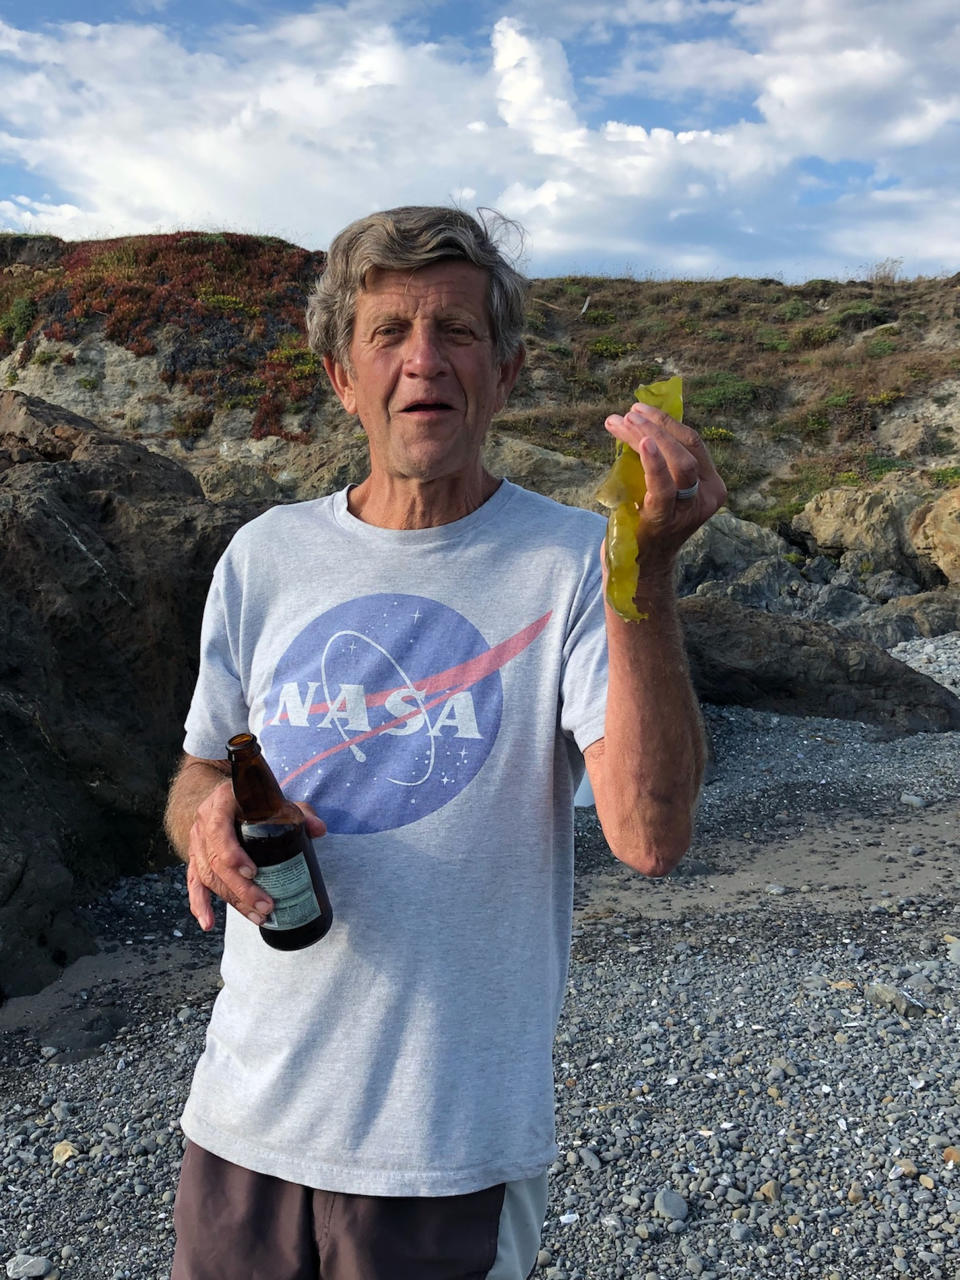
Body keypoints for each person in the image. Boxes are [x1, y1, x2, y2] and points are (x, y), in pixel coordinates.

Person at [164, 205, 726, 1280]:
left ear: (504, 372)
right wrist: (203, 818)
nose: (425, 359)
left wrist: (645, 575)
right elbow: (201, 761)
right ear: (342, 375)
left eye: (458, 330)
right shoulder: (264, 556)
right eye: (390, 332)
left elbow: (651, 834)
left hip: (444, 1149)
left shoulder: (573, 562)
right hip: (241, 1124)